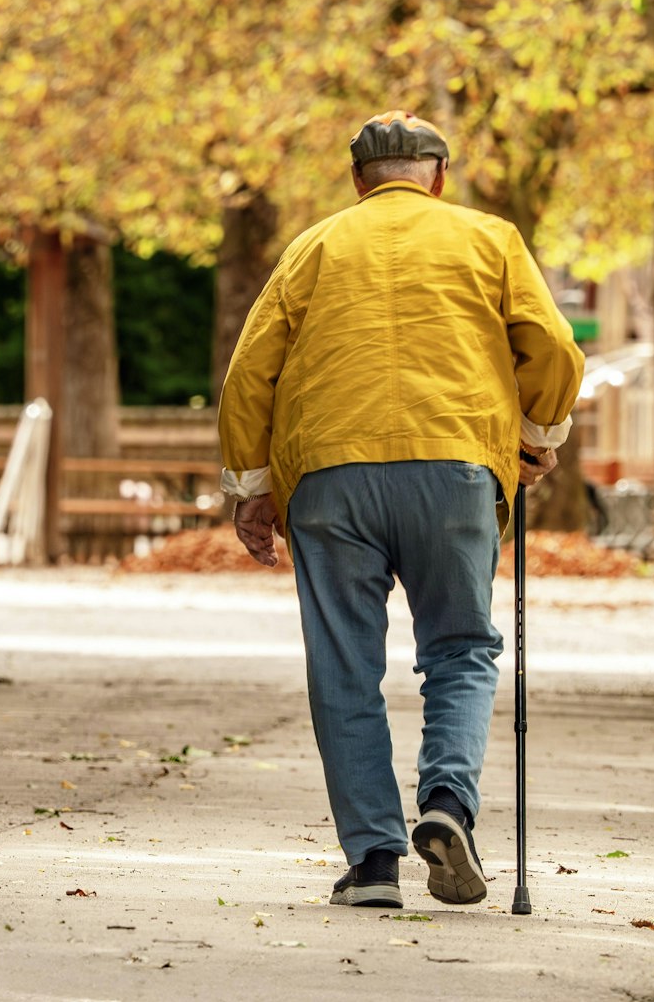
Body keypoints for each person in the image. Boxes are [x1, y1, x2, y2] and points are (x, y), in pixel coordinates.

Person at [218, 111, 584, 909]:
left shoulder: (313, 249)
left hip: (330, 476)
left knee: (344, 662)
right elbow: (552, 345)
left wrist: (251, 487)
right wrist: (536, 433)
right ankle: (447, 803)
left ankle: (374, 861)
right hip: (452, 467)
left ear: (358, 183)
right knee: (459, 646)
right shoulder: (490, 240)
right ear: (439, 176)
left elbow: (250, 374)